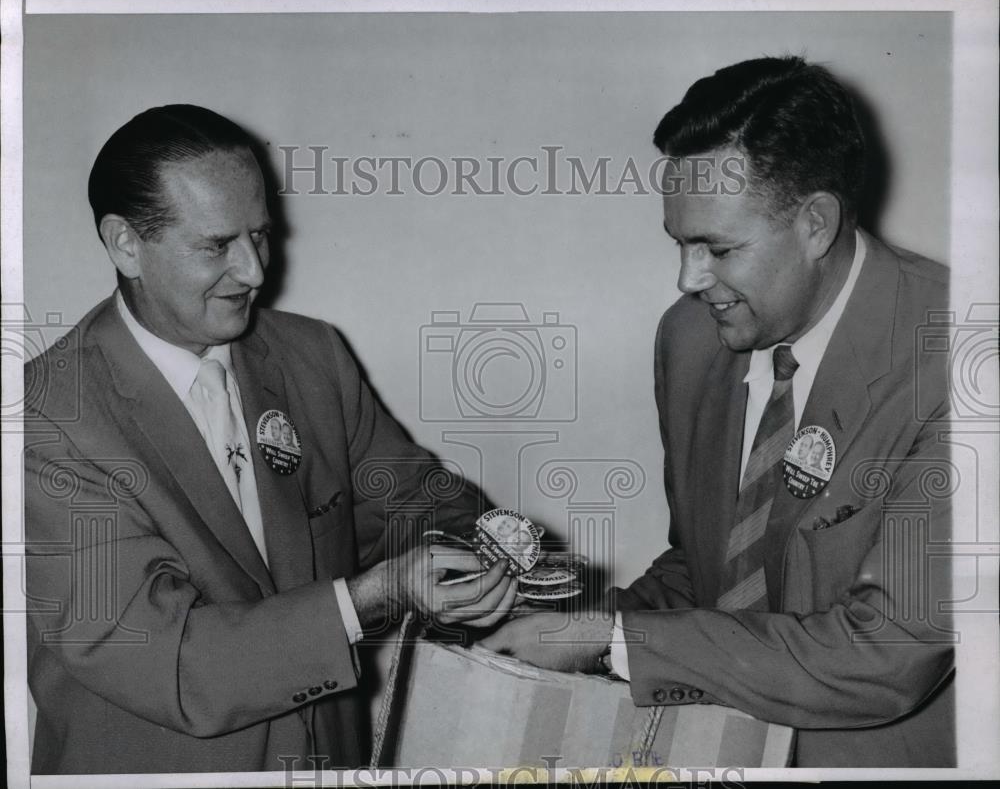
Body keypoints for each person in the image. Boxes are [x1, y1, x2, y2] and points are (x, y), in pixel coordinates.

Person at [483, 56, 954, 767]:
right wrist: (572, 627)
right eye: (680, 242)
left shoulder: (958, 353)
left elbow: (885, 654)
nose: (689, 279)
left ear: (816, 224)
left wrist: (615, 644)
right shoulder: (690, 338)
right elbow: (706, 566)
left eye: (719, 248)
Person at [23, 105, 517, 774]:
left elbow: (413, 501)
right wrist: (370, 596)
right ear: (125, 244)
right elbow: (169, 656)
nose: (254, 271)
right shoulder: (49, 416)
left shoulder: (313, 355)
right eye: (217, 244)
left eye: (260, 235)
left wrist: (483, 543)